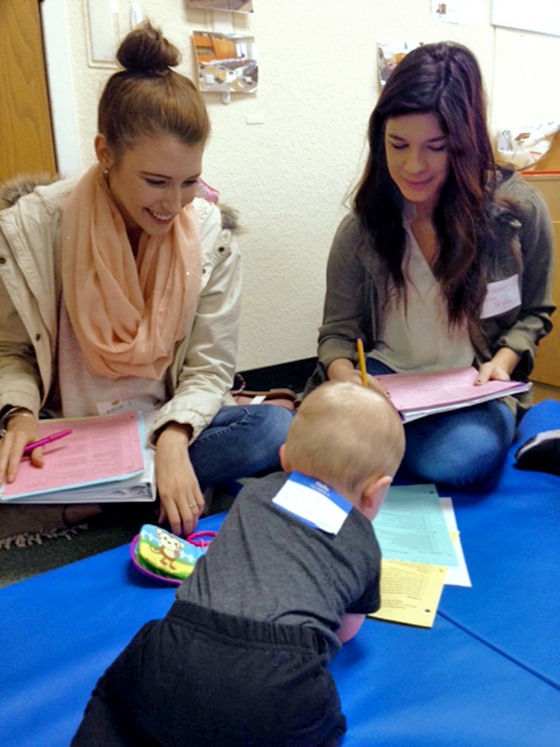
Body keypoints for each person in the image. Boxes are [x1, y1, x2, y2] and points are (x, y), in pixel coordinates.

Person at [0, 21, 292, 537]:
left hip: (160, 424)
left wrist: (176, 438)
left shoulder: (208, 232)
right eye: (155, 181)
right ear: (105, 153)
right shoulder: (34, 227)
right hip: (65, 433)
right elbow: (10, 353)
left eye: (189, 181)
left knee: (272, 427)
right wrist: (19, 416)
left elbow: (208, 368)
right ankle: (131, 496)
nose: (174, 203)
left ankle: (90, 504)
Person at [71, 380, 405, 746]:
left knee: (117, 702)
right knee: (321, 723)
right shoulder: (364, 542)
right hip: (279, 679)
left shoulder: (256, 493)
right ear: (378, 491)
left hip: (177, 648)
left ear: (283, 458)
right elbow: (346, 630)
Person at [314, 41, 555, 488]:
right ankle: (386, 446)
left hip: (473, 386)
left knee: (457, 459)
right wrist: (350, 380)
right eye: (397, 144)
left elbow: (536, 312)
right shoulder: (363, 227)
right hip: (384, 381)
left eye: (436, 147)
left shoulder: (516, 213)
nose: (412, 165)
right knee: (317, 440)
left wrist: (502, 362)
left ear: (465, 144)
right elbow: (336, 336)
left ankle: (385, 454)